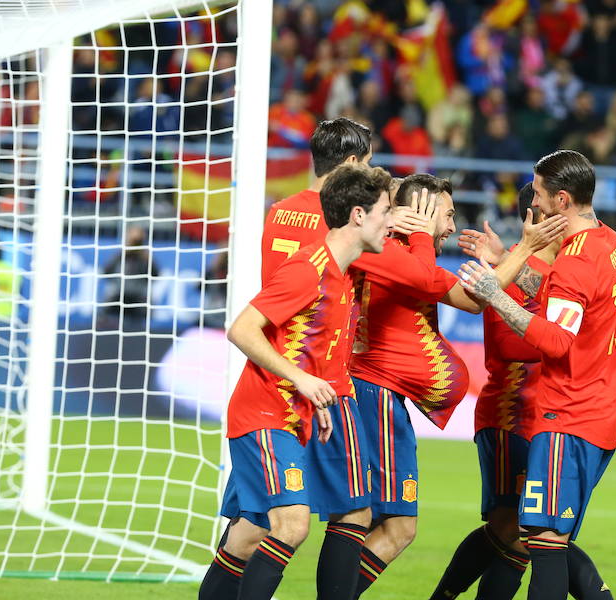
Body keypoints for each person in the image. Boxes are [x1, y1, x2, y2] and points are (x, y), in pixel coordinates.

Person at [350, 174, 566, 599]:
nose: (451, 226)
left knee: (365, 522)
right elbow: (475, 302)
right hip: (387, 395)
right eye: (447, 215)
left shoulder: (398, 254)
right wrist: (522, 249)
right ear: (424, 213)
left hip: (383, 396)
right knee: (392, 527)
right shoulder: (398, 257)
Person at [197, 164, 394, 600]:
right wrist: (302, 380)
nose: (391, 221)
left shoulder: (342, 277)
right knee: (293, 524)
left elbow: (308, 349)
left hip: (295, 415)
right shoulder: (308, 269)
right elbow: (242, 329)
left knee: (249, 535)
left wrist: (318, 399)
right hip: (264, 412)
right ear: (358, 215)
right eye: (385, 211)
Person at [459, 149, 616, 600]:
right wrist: (508, 272)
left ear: (563, 200)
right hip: (597, 409)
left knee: (546, 542)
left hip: (567, 416)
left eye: (537, 193)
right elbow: (571, 305)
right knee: (538, 536)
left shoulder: (575, 260)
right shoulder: (609, 242)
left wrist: (496, 293)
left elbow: (555, 340)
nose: (531, 201)